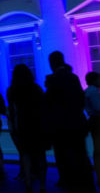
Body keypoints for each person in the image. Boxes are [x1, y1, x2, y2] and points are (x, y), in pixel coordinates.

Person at [45, 51, 94, 190]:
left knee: (63, 158)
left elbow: (48, 104)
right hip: (76, 123)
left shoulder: (53, 80)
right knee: (81, 156)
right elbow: (80, 100)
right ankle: (87, 185)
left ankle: (70, 183)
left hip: (60, 126)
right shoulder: (73, 77)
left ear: (52, 64)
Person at [7, 64, 47, 192]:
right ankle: (42, 185)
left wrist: (13, 127)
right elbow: (43, 106)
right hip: (37, 124)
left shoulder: (12, 90)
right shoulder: (36, 88)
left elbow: (12, 110)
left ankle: (28, 184)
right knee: (40, 155)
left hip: (22, 125)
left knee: (25, 155)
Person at [85, 71, 100, 187]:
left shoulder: (87, 91)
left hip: (93, 120)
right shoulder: (94, 91)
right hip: (98, 120)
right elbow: (98, 107)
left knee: (97, 149)